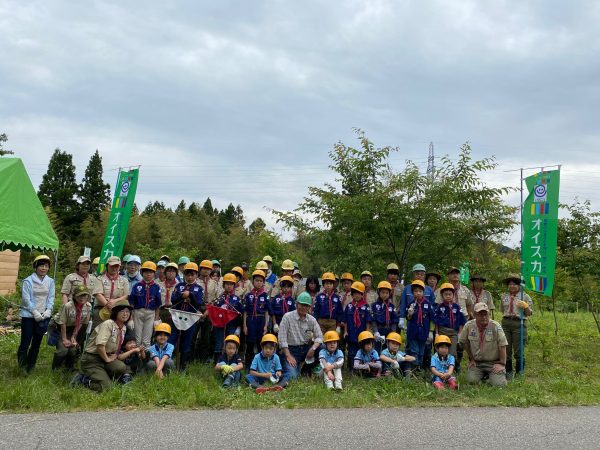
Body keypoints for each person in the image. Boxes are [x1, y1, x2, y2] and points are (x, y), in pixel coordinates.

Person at [78, 298, 133, 392]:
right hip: (92, 359)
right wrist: (107, 359)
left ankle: (102, 376)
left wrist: (112, 356)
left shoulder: (123, 328)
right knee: (107, 388)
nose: (125, 314)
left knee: (121, 367)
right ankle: (83, 380)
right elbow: (100, 346)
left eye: (127, 311)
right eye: (122, 311)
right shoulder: (108, 324)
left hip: (104, 357)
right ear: (116, 312)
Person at [17, 255, 55, 375]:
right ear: (35, 267)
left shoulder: (50, 281)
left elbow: (51, 297)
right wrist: (34, 311)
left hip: (43, 316)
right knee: (25, 342)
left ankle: (31, 365)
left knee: (36, 343)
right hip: (29, 316)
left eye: (46, 266)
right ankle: (22, 366)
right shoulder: (28, 281)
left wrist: (49, 309)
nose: (44, 268)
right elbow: (26, 299)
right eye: (41, 265)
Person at [278, 292, 324, 383]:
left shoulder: (312, 319)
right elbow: (282, 339)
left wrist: (313, 348)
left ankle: (306, 369)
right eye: (302, 305)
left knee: (322, 348)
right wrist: (288, 355)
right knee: (292, 377)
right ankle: (281, 373)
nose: (304, 307)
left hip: (306, 349)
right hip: (290, 350)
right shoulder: (287, 317)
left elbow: (320, 337)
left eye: (306, 306)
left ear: (309, 307)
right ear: (296, 304)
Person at [458, 303, 508, 387]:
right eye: (480, 315)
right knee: (471, 381)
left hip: (493, 363)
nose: (484, 317)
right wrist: (472, 359)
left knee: (499, 385)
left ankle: (492, 377)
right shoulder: (469, 326)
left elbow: (502, 345)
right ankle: (485, 376)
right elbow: (464, 342)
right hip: (477, 363)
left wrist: (502, 364)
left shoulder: (495, 326)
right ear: (474, 315)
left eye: (486, 314)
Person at [169, 262, 205, 371]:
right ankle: (168, 364)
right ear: (184, 275)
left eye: (192, 275)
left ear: (196, 275)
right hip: (177, 316)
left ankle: (182, 368)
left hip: (190, 318)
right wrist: (182, 295)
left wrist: (190, 295)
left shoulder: (199, 288)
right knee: (171, 340)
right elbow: (173, 299)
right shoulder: (179, 286)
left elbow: (199, 302)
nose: (189, 277)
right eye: (187, 274)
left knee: (187, 342)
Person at [500, 274, 533, 376]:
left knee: (519, 350)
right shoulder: (504, 296)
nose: (512, 286)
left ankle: (520, 373)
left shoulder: (525, 296)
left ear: (519, 285)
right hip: (506, 323)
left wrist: (526, 306)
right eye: (510, 284)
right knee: (506, 349)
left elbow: (529, 313)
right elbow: (502, 310)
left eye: (514, 284)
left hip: (519, 323)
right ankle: (508, 371)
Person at [52, 285, 92, 371]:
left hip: (74, 328)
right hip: (60, 328)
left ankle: (69, 367)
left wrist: (74, 336)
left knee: (73, 349)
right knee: (63, 350)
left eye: (85, 295)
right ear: (74, 296)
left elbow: (81, 322)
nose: (82, 298)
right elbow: (62, 323)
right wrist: (64, 339)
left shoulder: (88, 306)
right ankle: (55, 369)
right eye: (79, 295)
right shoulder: (68, 306)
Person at [129, 261, 162, 348]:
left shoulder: (157, 287)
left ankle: (145, 359)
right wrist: (131, 318)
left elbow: (158, 305)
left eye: (151, 272)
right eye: (146, 272)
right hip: (138, 312)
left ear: (154, 274)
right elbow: (132, 303)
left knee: (147, 340)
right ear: (142, 272)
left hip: (151, 313)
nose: (148, 274)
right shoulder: (137, 285)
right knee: (137, 338)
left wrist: (156, 319)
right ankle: (136, 358)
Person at [92, 256, 129, 330]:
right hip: (101, 310)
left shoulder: (124, 280)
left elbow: (126, 295)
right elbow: (98, 294)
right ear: (107, 266)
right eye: (112, 266)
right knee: (97, 333)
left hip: (117, 311)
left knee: (114, 334)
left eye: (117, 266)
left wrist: (114, 302)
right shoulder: (100, 279)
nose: (114, 268)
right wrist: (108, 305)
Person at [404, 279, 434, 372]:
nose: (418, 293)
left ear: (423, 292)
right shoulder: (411, 304)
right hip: (413, 332)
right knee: (414, 351)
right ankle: (414, 368)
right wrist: (410, 314)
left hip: (424, 332)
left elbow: (432, 319)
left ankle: (419, 367)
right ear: (413, 293)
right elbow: (408, 318)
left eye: (420, 291)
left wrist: (431, 332)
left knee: (421, 351)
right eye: (415, 291)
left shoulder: (428, 304)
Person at [243, 270, 270, 368]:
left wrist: (266, 326)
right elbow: (245, 311)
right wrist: (245, 326)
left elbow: (267, 312)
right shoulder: (248, 295)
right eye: (256, 280)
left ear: (263, 283)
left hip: (261, 319)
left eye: (260, 281)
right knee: (250, 342)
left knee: (260, 342)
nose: (258, 282)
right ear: (253, 281)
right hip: (250, 320)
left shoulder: (265, 295)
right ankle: (248, 364)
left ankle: (260, 364)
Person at [341, 281, 372, 369]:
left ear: (362, 294)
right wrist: (345, 332)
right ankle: (351, 369)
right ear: (352, 294)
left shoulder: (366, 307)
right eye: (355, 293)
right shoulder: (349, 306)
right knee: (351, 352)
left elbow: (367, 322)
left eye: (359, 293)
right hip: (351, 334)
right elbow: (346, 321)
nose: (357, 295)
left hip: (361, 334)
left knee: (361, 352)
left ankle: (360, 369)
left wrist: (367, 333)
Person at [213, 273, 243, 361]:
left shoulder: (237, 299)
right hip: (220, 325)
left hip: (232, 325)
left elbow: (240, 314)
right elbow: (214, 311)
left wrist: (239, 327)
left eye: (231, 284)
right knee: (219, 343)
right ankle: (218, 362)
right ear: (223, 285)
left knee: (231, 343)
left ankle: (231, 362)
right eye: (227, 284)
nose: (229, 286)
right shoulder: (219, 298)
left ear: (234, 285)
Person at [433, 283, 466, 359]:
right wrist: (437, 333)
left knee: (452, 351)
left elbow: (461, 321)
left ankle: (452, 366)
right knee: (442, 349)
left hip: (453, 332)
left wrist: (460, 333)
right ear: (442, 295)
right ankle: (440, 365)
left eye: (450, 294)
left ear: (453, 295)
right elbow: (436, 321)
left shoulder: (457, 307)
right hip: (442, 331)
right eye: (446, 294)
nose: (448, 296)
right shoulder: (439, 307)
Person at [398, 264, 434, 332]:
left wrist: (431, 327)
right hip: (410, 319)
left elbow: (433, 305)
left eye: (422, 274)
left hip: (425, 320)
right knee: (411, 340)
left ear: (425, 276)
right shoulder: (407, 288)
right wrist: (401, 318)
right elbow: (403, 304)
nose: (419, 276)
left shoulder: (429, 289)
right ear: (413, 275)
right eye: (417, 274)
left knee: (425, 341)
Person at [196, 259, 218, 362]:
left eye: (208, 269)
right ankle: (191, 356)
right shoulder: (195, 281)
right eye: (204, 268)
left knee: (206, 335)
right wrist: (198, 310)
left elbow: (215, 299)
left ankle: (203, 358)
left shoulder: (214, 283)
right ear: (200, 269)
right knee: (193, 334)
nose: (206, 271)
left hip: (209, 309)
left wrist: (208, 311)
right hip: (196, 309)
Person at [371, 281, 398, 354]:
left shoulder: (392, 306)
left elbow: (394, 320)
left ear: (389, 294)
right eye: (383, 292)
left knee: (387, 349)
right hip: (379, 330)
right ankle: (376, 363)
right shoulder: (374, 305)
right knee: (376, 348)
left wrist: (393, 332)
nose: (385, 295)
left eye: (387, 293)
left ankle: (385, 364)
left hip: (388, 330)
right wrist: (375, 331)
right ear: (378, 292)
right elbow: (373, 320)